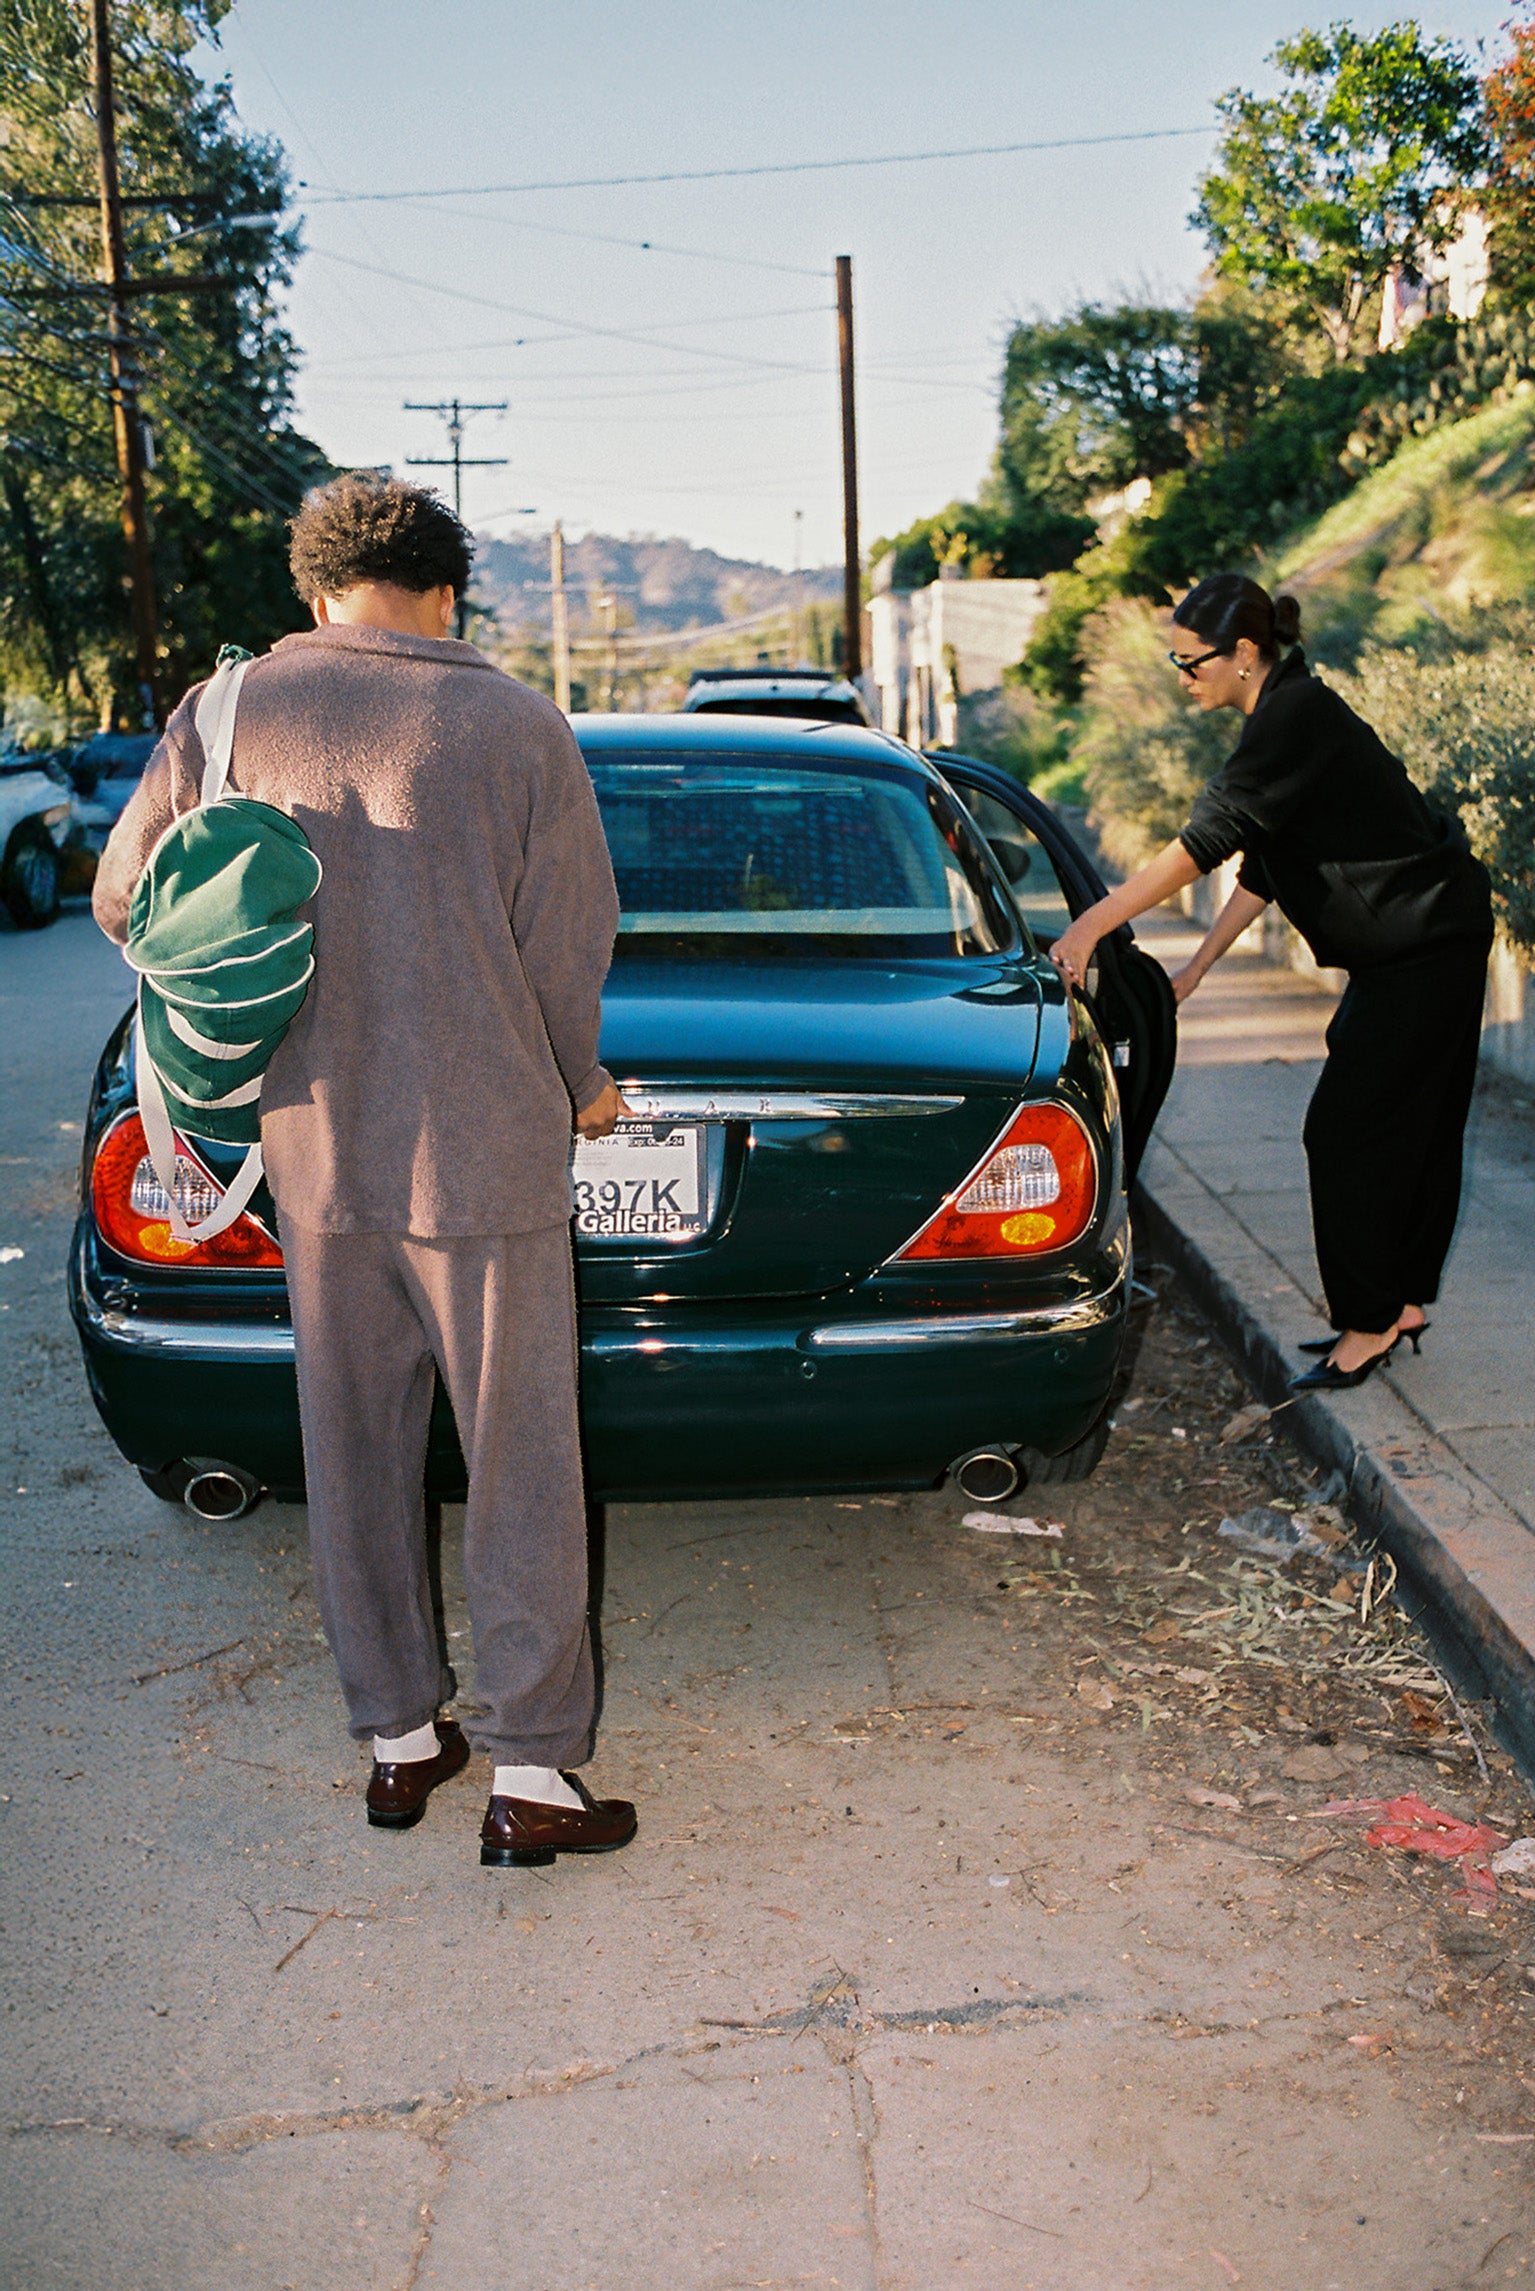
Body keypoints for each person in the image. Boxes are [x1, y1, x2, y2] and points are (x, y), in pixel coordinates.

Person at [93, 474, 638, 1869]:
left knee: (352, 1445)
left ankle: (398, 1743)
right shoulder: (518, 723)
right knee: (520, 1454)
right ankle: (532, 1772)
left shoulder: (227, 714)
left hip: (312, 1147)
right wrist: (580, 1086)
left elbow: (124, 900)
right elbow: (563, 949)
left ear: (314, 592)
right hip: (487, 1149)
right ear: (446, 590)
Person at [1048, 572, 1493, 1394]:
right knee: (1408, 1126)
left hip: (1427, 942)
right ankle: (1397, 1304)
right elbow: (1261, 864)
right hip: (1422, 943)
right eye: (1173, 663)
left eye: (1192, 663)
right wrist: (1198, 966)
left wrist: (1089, 925)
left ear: (1244, 653)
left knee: (1350, 1132)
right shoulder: (1284, 715)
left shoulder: (1293, 716)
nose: (1182, 678)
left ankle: (1370, 1321)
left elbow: (1206, 841)